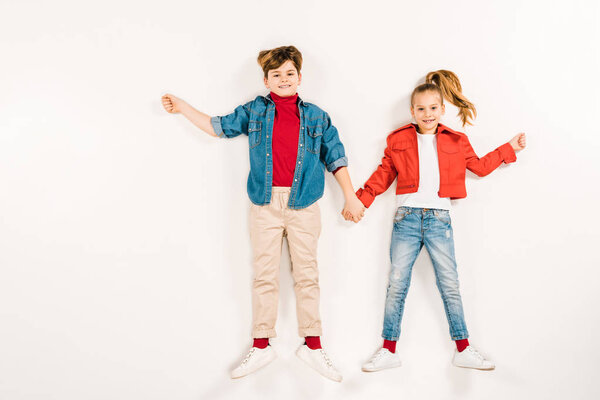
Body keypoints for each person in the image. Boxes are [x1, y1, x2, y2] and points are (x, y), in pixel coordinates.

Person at [161, 45, 364, 381]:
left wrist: (351, 197)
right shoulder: (255, 110)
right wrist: (183, 108)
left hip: (304, 205)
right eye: (276, 74)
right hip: (264, 205)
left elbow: (336, 158)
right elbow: (218, 126)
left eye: (289, 73)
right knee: (264, 275)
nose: (283, 79)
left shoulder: (316, 116)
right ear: (265, 79)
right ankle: (261, 345)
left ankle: (312, 346)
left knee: (308, 275)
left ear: (300, 76)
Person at [355, 70, 526, 372]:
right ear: (412, 111)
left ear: (442, 109)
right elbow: (384, 175)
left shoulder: (457, 141)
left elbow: (480, 167)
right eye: (421, 109)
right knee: (397, 283)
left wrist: (508, 149)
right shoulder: (398, 140)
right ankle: (388, 349)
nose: (427, 114)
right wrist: (361, 199)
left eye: (433, 108)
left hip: (439, 220)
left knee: (450, 284)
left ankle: (463, 348)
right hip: (406, 219)